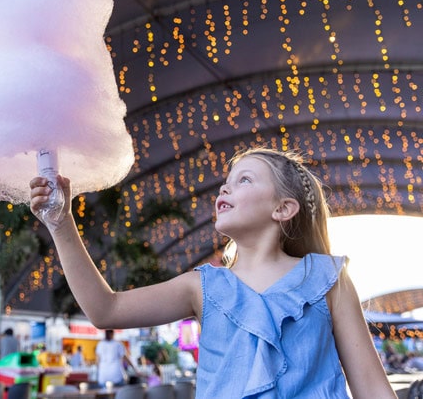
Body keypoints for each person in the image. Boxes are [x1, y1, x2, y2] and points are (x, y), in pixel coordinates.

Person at [29, 147, 397, 398]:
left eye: (245, 180)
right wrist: (61, 224)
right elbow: (105, 310)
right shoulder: (202, 286)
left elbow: (372, 387)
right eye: (227, 181)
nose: (225, 187)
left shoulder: (328, 278)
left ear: (284, 209)